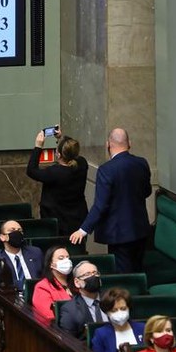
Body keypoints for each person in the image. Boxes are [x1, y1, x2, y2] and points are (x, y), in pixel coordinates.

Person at [70, 128, 151, 273]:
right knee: (138, 271)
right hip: (140, 229)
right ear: (129, 143)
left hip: (119, 233)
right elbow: (147, 191)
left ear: (108, 144)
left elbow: (100, 205)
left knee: (123, 275)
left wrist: (83, 230)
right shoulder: (142, 163)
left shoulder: (106, 170)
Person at [26, 130, 89, 236]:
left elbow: (31, 171)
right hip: (77, 221)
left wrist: (38, 146)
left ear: (58, 155)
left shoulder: (54, 173)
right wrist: (60, 139)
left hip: (57, 224)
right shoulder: (82, 164)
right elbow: (71, 153)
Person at [0, 220, 43, 289]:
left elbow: (45, 276)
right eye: (12, 230)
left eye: (19, 230)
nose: (17, 233)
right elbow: (1, 282)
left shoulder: (35, 252)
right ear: (2, 237)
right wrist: (28, 286)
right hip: (13, 294)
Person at [91, 287, 145, 352]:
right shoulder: (101, 334)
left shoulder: (142, 328)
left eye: (123, 308)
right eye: (114, 310)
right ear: (107, 312)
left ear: (129, 308)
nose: (119, 313)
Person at [58, 261, 105, 339]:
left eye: (95, 273)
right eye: (87, 274)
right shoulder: (70, 310)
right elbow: (68, 341)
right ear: (77, 282)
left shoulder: (112, 299)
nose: (93, 276)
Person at [32, 245, 74, 322]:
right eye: (61, 258)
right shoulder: (42, 287)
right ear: (51, 264)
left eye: (68, 257)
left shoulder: (77, 283)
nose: (66, 261)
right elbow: (49, 316)